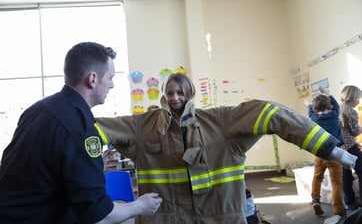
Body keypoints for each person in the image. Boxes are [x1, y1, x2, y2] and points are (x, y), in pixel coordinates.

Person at [95, 72, 356, 224]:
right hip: (166, 217)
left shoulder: (219, 122)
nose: (175, 98)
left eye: (180, 93)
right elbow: (93, 128)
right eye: (170, 93)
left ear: (190, 93)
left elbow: (273, 113)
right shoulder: (146, 125)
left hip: (219, 216)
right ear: (163, 95)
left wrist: (337, 153)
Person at [0, 42, 162, 224]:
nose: (112, 85)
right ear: (93, 79)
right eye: (110, 77)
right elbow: (98, 214)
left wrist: (89, 168)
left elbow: (41, 171)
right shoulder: (80, 128)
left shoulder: (38, 109)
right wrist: (140, 206)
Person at [306, 86, 345, 218]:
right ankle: (339, 210)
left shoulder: (313, 118)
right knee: (337, 183)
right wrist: (326, 93)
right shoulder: (334, 115)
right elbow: (335, 104)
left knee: (317, 177)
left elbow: (310, 109)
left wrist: (309, 105)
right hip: (334, 153)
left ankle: (315, 199)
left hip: (319, 154)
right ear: (329, 106)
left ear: (315, 109)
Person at [339, 85, 362, 211]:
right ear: (352, 98)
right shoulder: (351, 111)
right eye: (358, 99)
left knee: (346, 174)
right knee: (361, 170)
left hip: (340, 147)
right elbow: (355, 131)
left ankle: (349, 202)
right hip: (350, 146)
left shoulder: (338, 107)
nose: (359, 102)